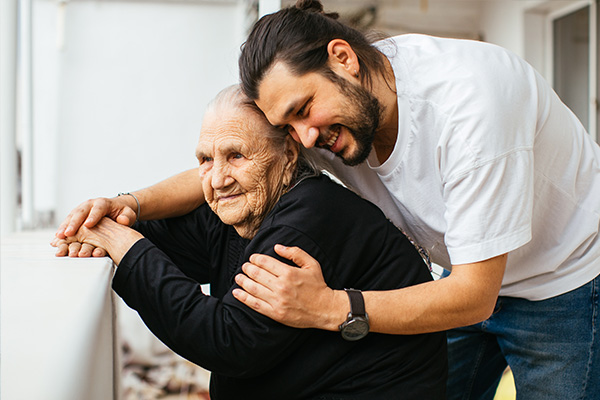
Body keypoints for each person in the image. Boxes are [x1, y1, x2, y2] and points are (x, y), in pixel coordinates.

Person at [55, 1, 600, 398]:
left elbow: (475, 296)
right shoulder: (332, 109)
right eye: (286, 125)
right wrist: (128, 205)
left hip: (564, 281)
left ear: (342, 57)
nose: (306, 139)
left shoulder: (472, 107)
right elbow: (228, 164)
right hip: (459, 274)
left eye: (301, 111)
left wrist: (331, 307)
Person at [59, 85, 447, 399]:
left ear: (289, 154)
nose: (217, 178)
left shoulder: (307, 220)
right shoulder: (241, 209)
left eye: (236, 155)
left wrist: (119, 241)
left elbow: (228, 341)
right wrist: (104, 229)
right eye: (205, 159)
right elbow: (154, 245)